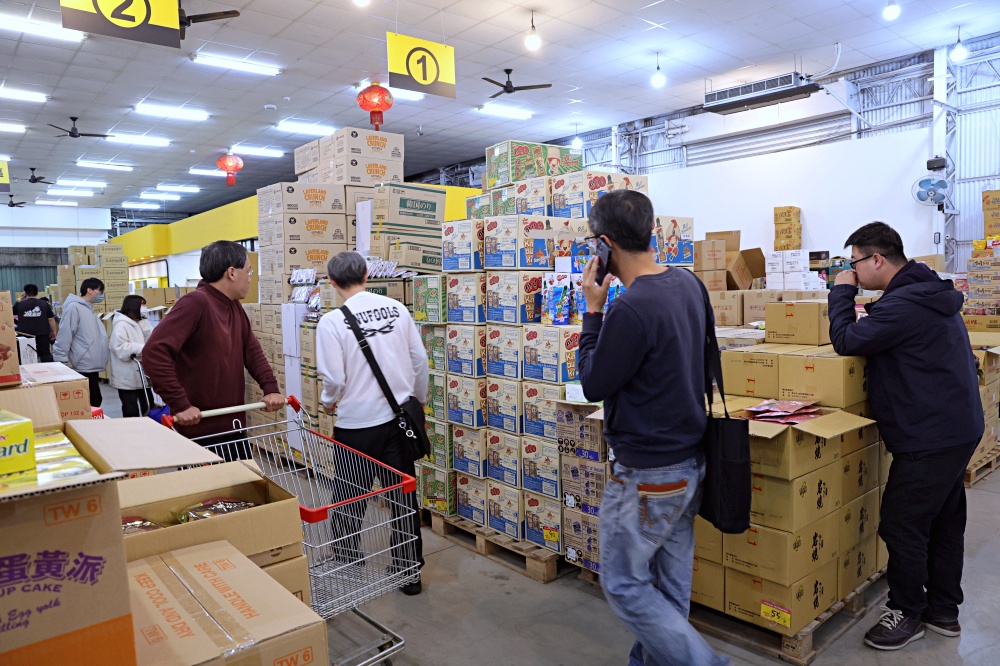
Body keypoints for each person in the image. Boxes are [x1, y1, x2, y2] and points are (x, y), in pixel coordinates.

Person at [577, 190, 728, 666]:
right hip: (691, 461)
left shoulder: (630, 309)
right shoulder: (687, 285)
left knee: (623, 583)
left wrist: (593, 311)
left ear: (604, 245)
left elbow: (593, 383)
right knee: (669, 587)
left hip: (647, 472)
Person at [828, 222, 983, 651]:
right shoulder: (926, 291)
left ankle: (907, 611)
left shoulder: (903, 306)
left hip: (930, 436)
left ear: (876, 259)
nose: (853, 272)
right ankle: (944, 612)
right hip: (957, 428)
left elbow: (845, 339)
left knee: (901, 524)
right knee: (945, 521)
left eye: (854, 263)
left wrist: (841, 292)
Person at [316, 251, 429, 596]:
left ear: (332, 283)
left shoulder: (332, 322)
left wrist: (326, 401)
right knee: (402, 500)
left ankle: (350, 566)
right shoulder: (397, 309)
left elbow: (333, 377)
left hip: (355, 427)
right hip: (397, 422)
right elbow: (420, 360)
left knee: (350, 499)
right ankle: (408, 572)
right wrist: (417, 401)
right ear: (367, 274)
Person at [142, 241, 284, 454]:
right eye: (249, 270)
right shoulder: (195, 303)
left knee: (242, 484)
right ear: (232, 273)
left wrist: (270, 387)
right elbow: (154, 353)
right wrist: (180, 404)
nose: (250, 277)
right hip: (200, 432)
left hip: (232, 426)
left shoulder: (234, 306)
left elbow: (251, 351)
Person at [53, 278, 110, 407]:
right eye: (100, 291)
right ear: (89, 290)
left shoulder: (88, 309)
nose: (101, 295)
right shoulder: (74, 308)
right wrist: (60, 360)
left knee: (94, 400)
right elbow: (65, 335)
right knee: (92, 400)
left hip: (91, 362)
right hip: (83, 362)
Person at [109, 295, 154, 418]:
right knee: (130, 408)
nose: (145, 308)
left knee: (149, 405)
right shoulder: (121, 325)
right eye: (142, 305)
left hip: (143, 373)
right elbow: (118, 347)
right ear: (133, 307)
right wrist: (140, 348)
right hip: (126, 375)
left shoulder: (144, 322)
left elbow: (152, 340)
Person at [12, 284, 57, 362]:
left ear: (25, 293)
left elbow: (10, 312)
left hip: (24, 335)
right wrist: (54, 331)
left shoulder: (19, 305)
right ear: (37, 292)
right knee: (45, 355)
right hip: (42, 334)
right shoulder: (44, 304)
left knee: (25, 356)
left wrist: (19, 300)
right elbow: (51, 319)